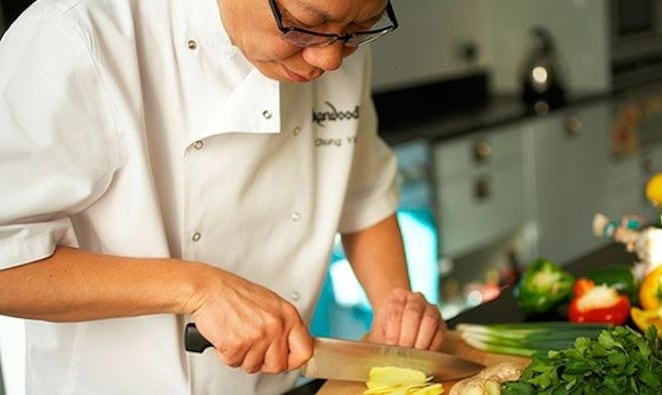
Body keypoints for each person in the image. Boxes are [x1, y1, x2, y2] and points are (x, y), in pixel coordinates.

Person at [0, 0, 447, 393]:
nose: (330, 60)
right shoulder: (76, 37)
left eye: (357, 32)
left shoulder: (335, 35)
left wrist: (395, 306)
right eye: (303, 24)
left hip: (278, 383)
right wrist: (199, 289)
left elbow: (363, 195)